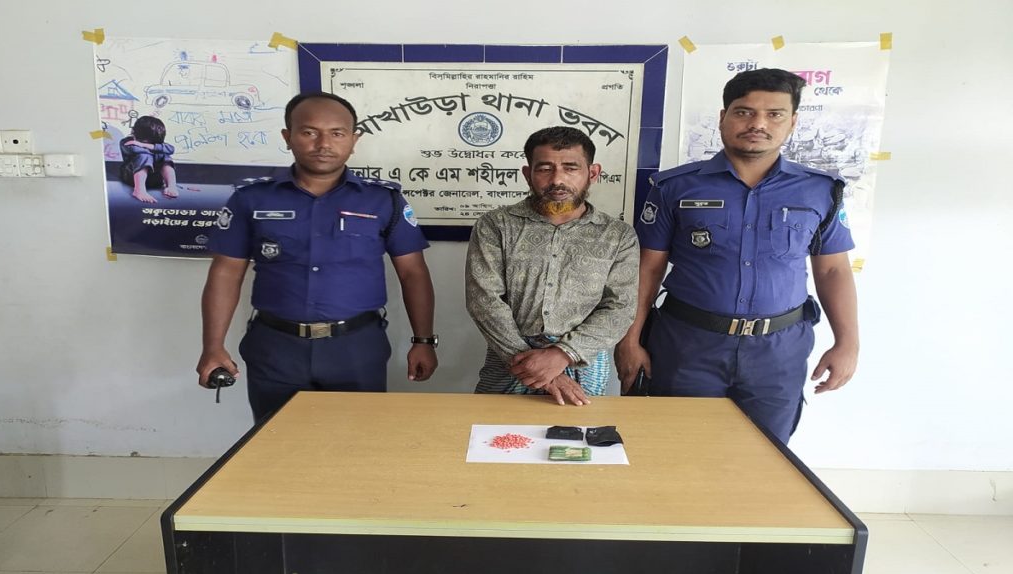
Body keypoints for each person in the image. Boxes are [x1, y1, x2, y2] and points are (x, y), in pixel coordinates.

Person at [614, 68, 858, 443]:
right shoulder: (674, 187)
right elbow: (647, 270)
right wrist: (630, 341)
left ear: (792, 122)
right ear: (723, 117)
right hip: (688, 346)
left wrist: (847, 343)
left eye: (774, 114)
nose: (758, 123)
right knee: (679, 448)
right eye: (744, 112)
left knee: (765, 456)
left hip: (778, 352)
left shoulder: (820, 191)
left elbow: (833, 272)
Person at [196, 92, 438, 422]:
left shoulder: (383, 200)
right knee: (277, 441)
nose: (324, 144)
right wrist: (213, 346)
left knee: (357, 440)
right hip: (275, 347)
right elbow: (226, 272)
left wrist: (424, 340)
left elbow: (413, 273)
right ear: (288, 137)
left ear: (354, 140)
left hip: (356, 347)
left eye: (337, 133)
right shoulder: (251, 198)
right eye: (309, 132)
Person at [466, 126, 639, 406]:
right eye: (545, 169)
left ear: (592, 173)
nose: (557, 179)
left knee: (578, 433)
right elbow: (483, 300)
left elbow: (620, 307)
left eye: (571, 168)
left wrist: (562, 354)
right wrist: (534, 367)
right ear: (528, 174)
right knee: (494, 430)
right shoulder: (496, 225)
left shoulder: (617, 236)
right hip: (509, 361)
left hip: (583, 364)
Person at [119, 115, 178, 203]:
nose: (149, 145)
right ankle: (139, 190)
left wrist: (143, 145)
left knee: (165, 156)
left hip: (155, 179)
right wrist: (156, 149)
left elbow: (171, 149)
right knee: (145, 156)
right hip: (131, 178)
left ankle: (171, 186)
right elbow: (135, 149)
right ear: (134, 132)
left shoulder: (150, 143)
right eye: (144, 142)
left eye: (152, 143)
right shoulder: (127, 142)